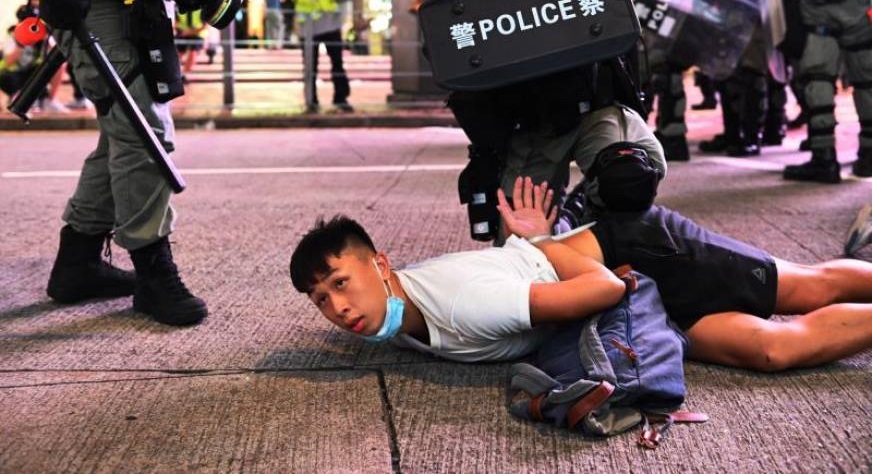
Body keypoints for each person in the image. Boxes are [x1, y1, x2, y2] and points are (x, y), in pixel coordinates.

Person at [290, 176, 872, 371]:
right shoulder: (397, 311)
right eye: (320, 299)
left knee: (805, 286)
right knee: (770, 351)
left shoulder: (464, 303)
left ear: (381, 264)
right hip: (625, 305)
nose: (337, 308)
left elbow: (604, 285)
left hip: (633, 256)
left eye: (340, 283)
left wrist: (537, 240)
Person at [44, 0, 207, 325]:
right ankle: (153, 274)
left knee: (125, 134)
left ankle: (78, 261)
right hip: (102, 10)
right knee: (143, 137)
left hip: (125, 11)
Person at [782, 0, 872, 183]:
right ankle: (869, 155)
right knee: (867, 81)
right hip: (858, 12)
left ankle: (824, 157)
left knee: (818, 78)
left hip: (818, 14)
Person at [295, 0, 352, 112]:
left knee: (335, 62)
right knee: (312, 65)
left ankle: (338, 98)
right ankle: (313, 100)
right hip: (311, 22)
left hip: (327, 21)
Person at [176, 7, 208, 82]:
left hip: (198, 34)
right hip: (182, 32)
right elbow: (175, 22)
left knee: (192, 53)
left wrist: (191, 32)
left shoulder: (202, 6)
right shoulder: (178, 5)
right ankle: (176, 74)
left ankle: (184, 75)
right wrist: (182, 31)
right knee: (177, 53)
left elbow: (205, 26)